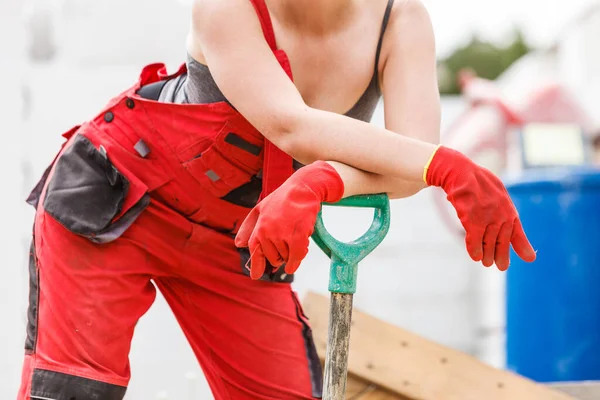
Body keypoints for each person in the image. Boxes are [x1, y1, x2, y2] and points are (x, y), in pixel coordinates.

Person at [18, 0, 536, 399]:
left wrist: (324, 182)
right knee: (74, 391)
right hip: (118, 202)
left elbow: (408, 167)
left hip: (237, 238)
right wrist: (440, 164)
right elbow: (293, 126)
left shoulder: (399, 20)